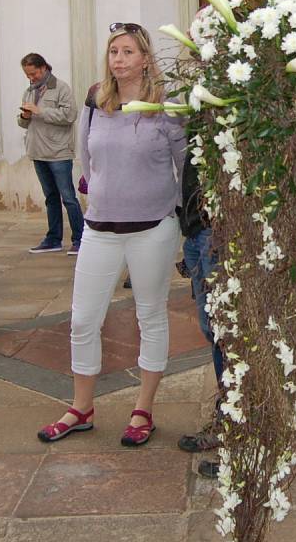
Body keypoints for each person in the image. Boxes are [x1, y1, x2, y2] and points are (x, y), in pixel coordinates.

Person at [38, 23, 185, 445]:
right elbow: (85, 155)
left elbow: (184, 161)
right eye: (113, 51)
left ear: (144, 58)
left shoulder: (165, 103)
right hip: (100, 228)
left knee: (150, 316)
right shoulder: (94, 100)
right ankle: (81, 406)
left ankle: (143, 408)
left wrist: (172, 212)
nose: (118, 59)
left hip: (152, 229)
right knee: (83, 319)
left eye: (127, 52)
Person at [177, 146, 225, 456]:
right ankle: (231, 410)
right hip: (196, 230)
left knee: (227, 330)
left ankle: (236, 421)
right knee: (212, 329)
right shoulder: (197, 107)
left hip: (218, 232)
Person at [18, 54, 84, 255]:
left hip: (59, 152)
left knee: (69, 198)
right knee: (50, 198)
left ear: (44, 67)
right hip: (37, 152)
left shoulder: (61, 88)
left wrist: (40, 111)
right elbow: (23, 124)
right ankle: (53, 239)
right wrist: (24, 116)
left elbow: (70, 115)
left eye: (34, 73)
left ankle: (79, 239)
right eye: (27, 75)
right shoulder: (29, 91)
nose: (31, 78)